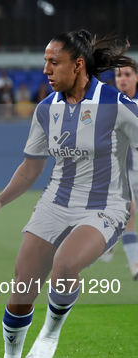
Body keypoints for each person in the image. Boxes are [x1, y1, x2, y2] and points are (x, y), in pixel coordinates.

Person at [0, 29, 138, 358]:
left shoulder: (116, 104)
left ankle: (49, 334)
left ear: (78, 65)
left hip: (105, 205)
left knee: (65, 265)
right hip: (56, 201)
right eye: (44, 62)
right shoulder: (46, 109)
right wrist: (0, 201)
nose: (46, 70)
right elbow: (32, 166)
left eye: (54, 62)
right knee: (23, 282)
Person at [100, 65, 138, 279]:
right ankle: (135, 266)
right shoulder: (110, 106)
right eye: (118, 75)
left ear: (136, 78)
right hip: (121, 170)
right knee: (130, 211)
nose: (122, 79)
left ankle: (112, 235)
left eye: (127, 75)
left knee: (125, 218)